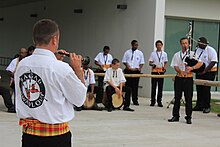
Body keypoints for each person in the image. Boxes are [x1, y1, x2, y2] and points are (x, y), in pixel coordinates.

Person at [14, 19, 87, 147]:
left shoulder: (22, 65)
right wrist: (77, 70)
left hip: (29, 135)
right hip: (56, 138)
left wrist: (55, 60)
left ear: (34, 39)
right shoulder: (61, 68)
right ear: (54, 39)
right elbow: (80, 99)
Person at [168, 37, 203, 124]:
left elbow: (200, 63)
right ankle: (175, 116)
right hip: (179, 78)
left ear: (188, 44)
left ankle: (188, 117)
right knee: (177, 97)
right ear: (181, 44)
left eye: (186, 43)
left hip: (188, 78)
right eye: (183, 43)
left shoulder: (192, 54)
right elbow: (175, 65)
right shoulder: (177, 54)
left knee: (188, 98)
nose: (184, 45)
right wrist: (180, 71)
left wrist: (192, 67)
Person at [193, 37, 218, 113]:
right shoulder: (197, 50)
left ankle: (207, 106)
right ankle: (199, 105)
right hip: (200, 71)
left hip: (209, 72)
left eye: (200, 43)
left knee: (206, 89)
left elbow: (213, 61)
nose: (198, 45)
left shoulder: (211, 50)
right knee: (199, 88)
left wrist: (205, 71)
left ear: (204, 44)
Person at [122, 40, 145, 105]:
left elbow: (142, 62)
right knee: (128, 86)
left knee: (135, 86)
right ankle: (127, 100)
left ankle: (135, 100)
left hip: (136, 71)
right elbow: (124, 61)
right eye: (135, 45)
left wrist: (139, 68)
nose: (136, 46)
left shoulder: (140, 53)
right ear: (132, 45)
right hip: (128, 71)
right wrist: (128, 67)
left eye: (137, 45)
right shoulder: (127, 52)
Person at [149, 40, 168, 107]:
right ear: (156, 46)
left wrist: (164, 68)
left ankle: (159, 101)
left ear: (162, 45)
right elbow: (150, 62)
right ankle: (152, 101)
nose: (159, 46)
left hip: (161, 71)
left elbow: (165, 62)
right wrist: (153, 64)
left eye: (160, 45)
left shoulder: (164, 54)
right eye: (157, 45)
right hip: (154, 71)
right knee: (153, 87)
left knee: (160, 87)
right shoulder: (153, 53)